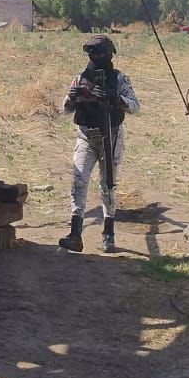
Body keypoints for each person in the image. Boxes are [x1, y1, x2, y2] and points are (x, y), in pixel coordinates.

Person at [58, 34, 139, 254]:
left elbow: (135, 106)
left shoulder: (119, 78)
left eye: (100, 53)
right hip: (86, 136)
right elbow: (65, 108)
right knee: (79, 181)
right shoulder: (81, 77)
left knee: (108, 184)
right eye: (92, 53)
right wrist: (72, 98)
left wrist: (115, 99)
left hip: (110, 135)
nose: (95, 57)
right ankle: (75, 234)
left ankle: (108, 235)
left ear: (109, 54)